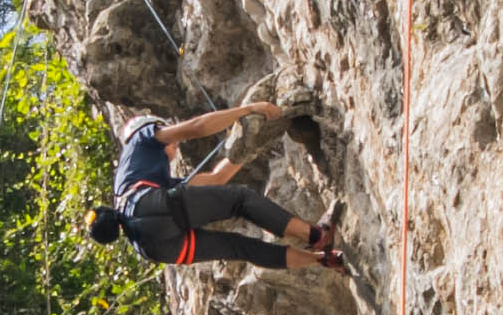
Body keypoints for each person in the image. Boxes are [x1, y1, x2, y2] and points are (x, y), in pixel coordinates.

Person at [87, 101, 343, 272]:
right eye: (168, 136)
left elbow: (214, 181)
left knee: (239, 247)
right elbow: (195, 128)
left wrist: (245, 147)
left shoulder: (142, 182)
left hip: (150, 246)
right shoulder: (141, 140)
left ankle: (326, 260)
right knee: (241, 199)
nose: (175, 145)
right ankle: (317, 236)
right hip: (151, 208)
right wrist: (247, 109)